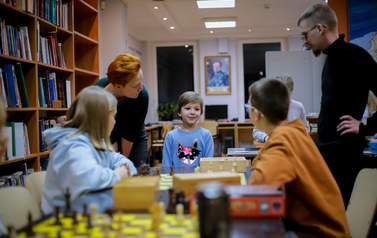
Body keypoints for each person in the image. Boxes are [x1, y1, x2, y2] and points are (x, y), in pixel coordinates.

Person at [247, 78, 350, 238]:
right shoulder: (293, 131)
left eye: (249, 107)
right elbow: (260, 162)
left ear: (257, 114)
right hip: (322, 229)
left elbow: (258, 190)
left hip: (318, 233)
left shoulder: (282, 139)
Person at [298, 4, 377, 207]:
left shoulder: (356, 56)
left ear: (320, 28)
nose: (305, 41)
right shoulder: (330, 59)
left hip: (344, 155)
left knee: (335, 215)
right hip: (326, 150)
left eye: (305, 34)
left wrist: (366, 128)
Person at [41, 86, 137, 215]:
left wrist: (124, 169)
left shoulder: (96, 142)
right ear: (101, 119)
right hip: (63, 221)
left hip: (87, 213)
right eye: (113, 116)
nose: (115, 122)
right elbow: (89, 180)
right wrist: (118, 174)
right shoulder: (72, 147)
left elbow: (121, 161)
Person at [95, 53, 149, 167]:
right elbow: (109, 135)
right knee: (112, 171)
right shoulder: (97, 94)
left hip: (134, 136)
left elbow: (130, 134)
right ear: (118, 86)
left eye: (141, 82)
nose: (141, 88)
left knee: (133, 172)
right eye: (135, 85)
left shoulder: (142, 96)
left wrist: (124, 164)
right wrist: (117, 166)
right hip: (105, 135)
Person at [162, 91, 214, 167]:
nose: (192, 112)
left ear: (201, 113)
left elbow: (208, 164)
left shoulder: (206, 135)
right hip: (177, 178)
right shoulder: (171, 136)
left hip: (199, 178)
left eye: (196, 109)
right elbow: (166, 165)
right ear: (179, 112)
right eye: (188, 108)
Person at [252, 75, 308, 143]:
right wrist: (266, 138)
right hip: (273, 146)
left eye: (285, 94)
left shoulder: (298, 107)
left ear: (291, 91)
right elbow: (256, 131)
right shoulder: (266, 106)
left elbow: (305, 129)